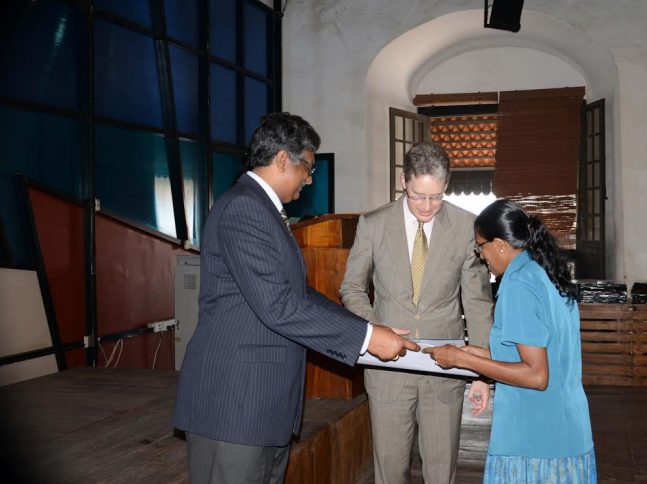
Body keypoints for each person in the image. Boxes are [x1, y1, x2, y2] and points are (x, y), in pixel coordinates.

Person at [173, 112, 418, 484]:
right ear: (283, 159)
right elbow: (278, 306)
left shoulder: (263, 209)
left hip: (261, 405)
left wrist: (369, 329)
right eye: (308, 167)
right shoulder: (244, 208)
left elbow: (298, 295)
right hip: (234, 404)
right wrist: (368, 339)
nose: (309, 178)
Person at [340, 142, 494, 484]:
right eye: (418, 196)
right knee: (390, 470)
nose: (427, 206)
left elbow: (478, 302)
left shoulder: (466, 227)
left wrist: (481, 372)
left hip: (445, 368)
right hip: (388, 367)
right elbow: (351, 288)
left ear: (447, 185)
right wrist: (376, 329)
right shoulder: (374, 225)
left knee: (441, 471)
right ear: (403, 182)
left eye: (436, 197)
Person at [424, 199, 597, 483]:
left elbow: (536, 375)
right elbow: (532, 353)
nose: (481, 255)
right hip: (567, 429)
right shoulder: (545, 273)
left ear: (500, 245)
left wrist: (462, 360)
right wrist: (472, 353)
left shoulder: (519, 284)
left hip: (534, 439)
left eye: (481, 246)